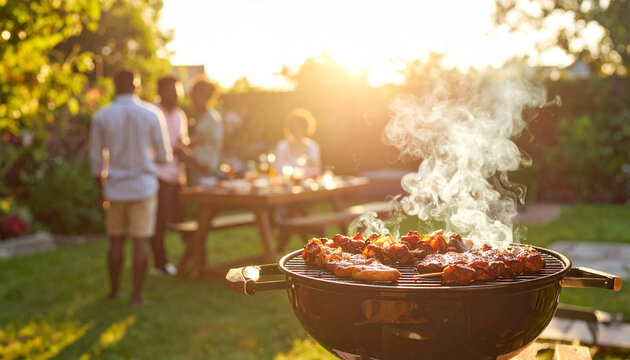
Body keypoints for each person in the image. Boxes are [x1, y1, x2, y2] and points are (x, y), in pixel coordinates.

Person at [89, 69, 171, 306]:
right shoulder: (151, 113)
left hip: (115, 186)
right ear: (135, 86)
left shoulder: (102, 115)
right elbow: (164, 156)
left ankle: (115, 291)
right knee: (141, 242)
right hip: (143, 186)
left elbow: (96, 159)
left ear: (115, 86)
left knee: (115, 241)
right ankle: (136, 296)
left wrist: (101, 189)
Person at [150, 76, 189, 275]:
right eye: (173, 92)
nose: (177, 96)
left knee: (183, 219)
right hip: (159, 175)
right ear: (162, 92)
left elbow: (182, 142)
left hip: (177, 175)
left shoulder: (180, 115)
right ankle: (160, 263)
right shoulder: (153, 114)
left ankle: (193, 258)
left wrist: (184, 151)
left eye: (179, 92)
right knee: (160, 222)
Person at [176, 76, 223, 184]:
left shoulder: (210, 119)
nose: (191, 102)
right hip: (202, 169)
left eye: (193, 97)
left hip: (207, 170)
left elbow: (202, 145)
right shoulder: (205, 118)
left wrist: (184, 150)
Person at [274, 107, 322, 178]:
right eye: (292, 126)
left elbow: (316, 171)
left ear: (305, 127)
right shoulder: (282, 146)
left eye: (298, 126)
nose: (294, 129)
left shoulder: (313, 146)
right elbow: (278, 169)